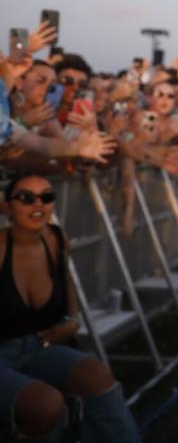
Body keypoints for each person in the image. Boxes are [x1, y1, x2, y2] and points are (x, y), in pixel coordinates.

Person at [0, 175, 139, 442]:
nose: (38, 204)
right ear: (8, 208)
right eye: (26, 198)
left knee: (98, 377)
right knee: (46, 406)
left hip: (37, 348)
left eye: (47, 197)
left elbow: (66, 281)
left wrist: (71, 319)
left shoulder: (55, 238)